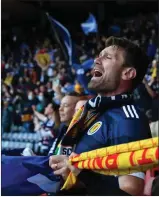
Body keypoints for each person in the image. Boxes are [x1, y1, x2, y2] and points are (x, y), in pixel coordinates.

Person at [49, 36, 152, 196]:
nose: (97, 59)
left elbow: (131, 193)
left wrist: (82, 175)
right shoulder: (90, 114)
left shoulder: (128, 120)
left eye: (107, 57)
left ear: (127, 73)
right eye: (99, 55)